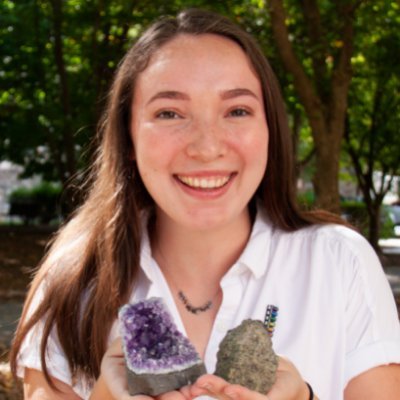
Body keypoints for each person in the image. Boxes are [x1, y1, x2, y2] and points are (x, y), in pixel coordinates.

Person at [10, 8, 400, 400]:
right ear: (128, 138)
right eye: (169, 113)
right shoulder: (73, 280)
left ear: (270, 129)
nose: (207, 147)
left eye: (237, 111)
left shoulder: (340, 263)